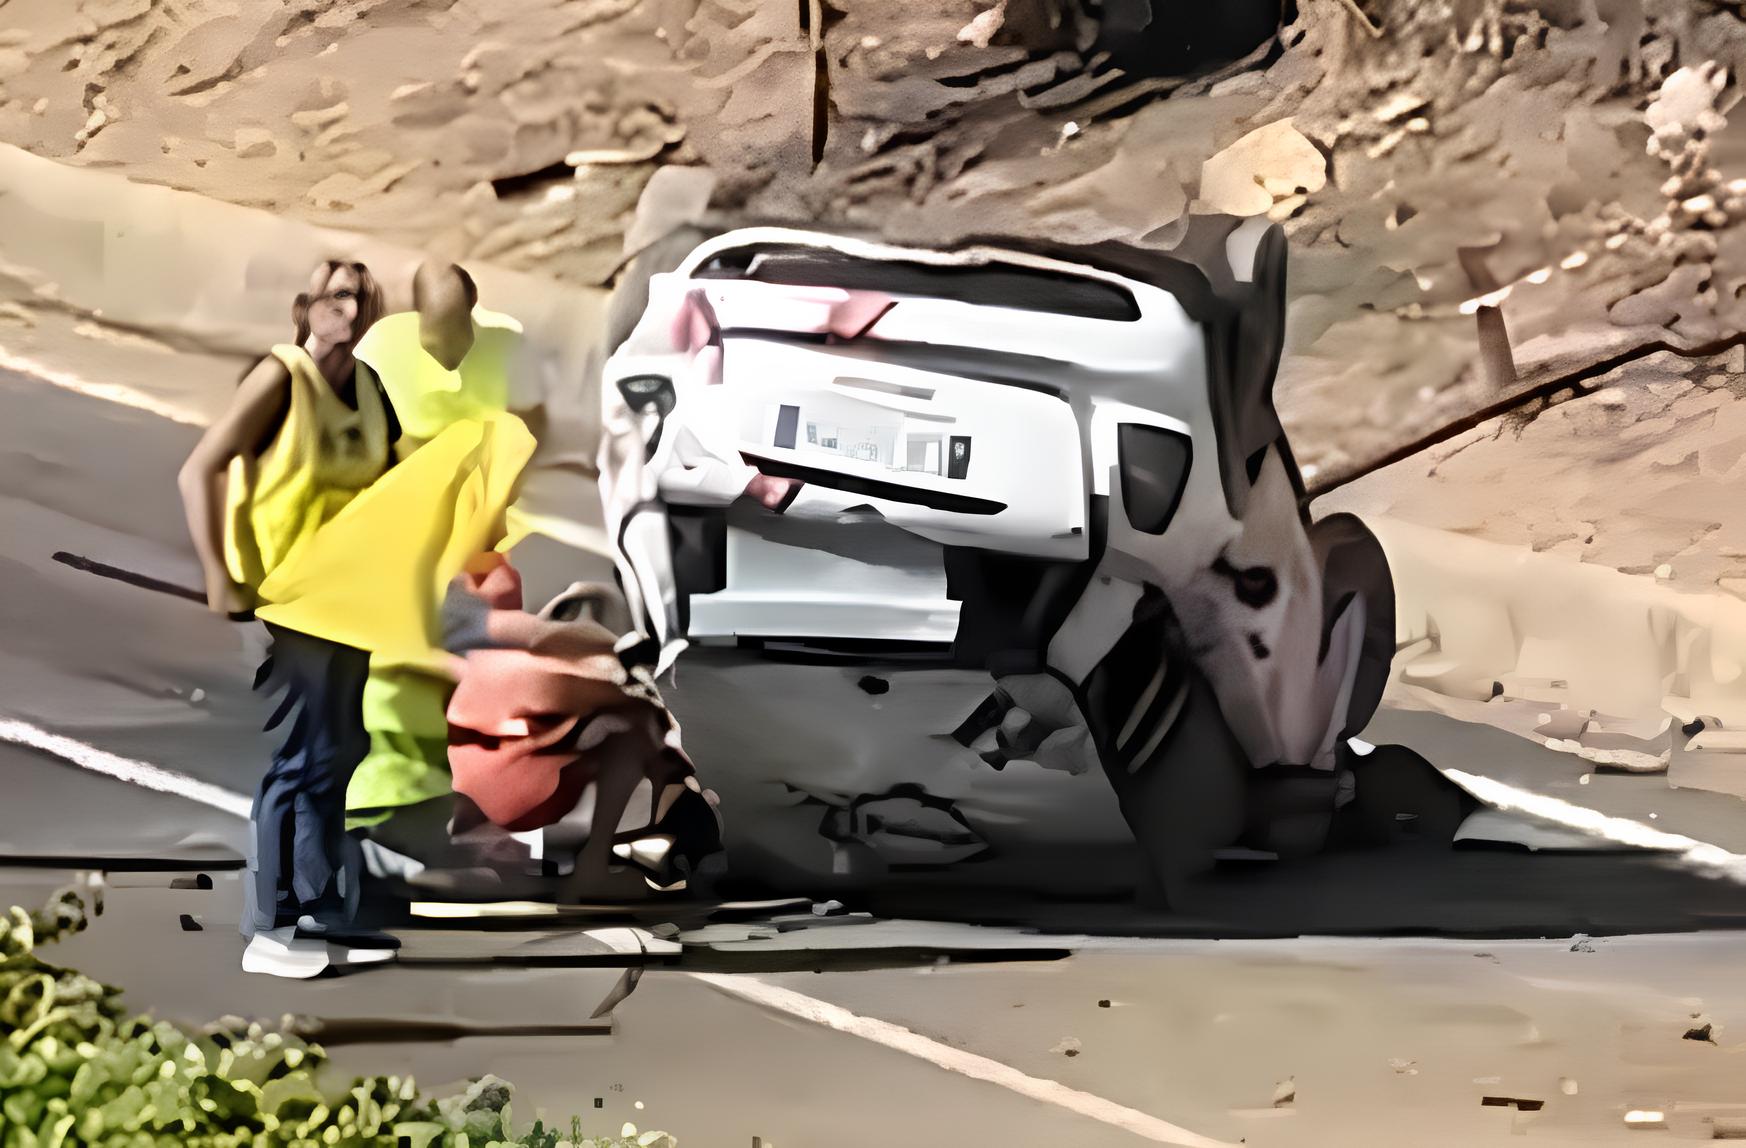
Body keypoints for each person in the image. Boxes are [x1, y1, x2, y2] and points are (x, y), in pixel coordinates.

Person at [177, 259, 402, 977]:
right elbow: (201, 469)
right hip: (288, 597)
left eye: (363, 299)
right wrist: (221, 573)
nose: (351, 309)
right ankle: (271, 928)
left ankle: (318, 907)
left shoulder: (370, 391)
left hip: (350, 601)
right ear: (305, 307)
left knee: (341, 749)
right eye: (337, 296)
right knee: (303, 757)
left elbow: (395, 485)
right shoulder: (282, 378)